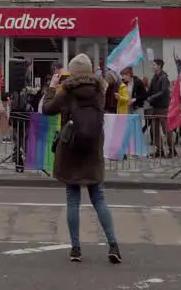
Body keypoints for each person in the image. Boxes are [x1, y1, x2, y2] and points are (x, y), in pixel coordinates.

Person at [42, 53, 121, 264]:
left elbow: (46, 109)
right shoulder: (99, 91)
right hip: (93, 150)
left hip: (71, 150)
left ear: (72, 71)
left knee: (73, 199)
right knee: (99, 198)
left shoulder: (66, 92)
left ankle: (76, 249)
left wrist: (52, 87)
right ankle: (113, 245)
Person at [146, 59, 174, 157]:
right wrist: (144, 95)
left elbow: (163, 92)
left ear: (159, 66)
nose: (152, 67)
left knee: (166, 130)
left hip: (163, 108)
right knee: (155, 130)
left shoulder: (164, 78)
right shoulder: (154, 77)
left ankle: (172, 150)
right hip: (155, 107)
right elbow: (150, 91)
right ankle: (159, 149)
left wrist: (151, 97)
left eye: (154, 65)